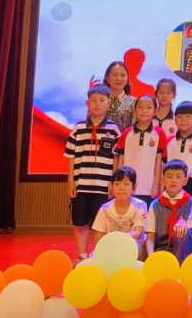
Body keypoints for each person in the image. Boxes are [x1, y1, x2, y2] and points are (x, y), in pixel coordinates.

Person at [65, 83, 120, 262]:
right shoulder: (78, 128)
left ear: (108, 103)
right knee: (80, 222)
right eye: (94, 100)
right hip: (81, 185)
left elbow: (116, 158)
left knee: (100, 224)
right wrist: (71, 181)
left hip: (103, 186)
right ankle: (82, 256)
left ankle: (98, 258)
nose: (97, 104)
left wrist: (113, 182)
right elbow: (71, 156)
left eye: (102, 100)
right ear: (87, 103)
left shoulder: (113, 129)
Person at [114, 94, 168, 204]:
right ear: (134, 110)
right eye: (140, 107)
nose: (144, 110)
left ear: (155, 111)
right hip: (127, 187)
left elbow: (159, 161)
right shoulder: (127, 133)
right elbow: (120, 160)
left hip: (149, 188)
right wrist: (118, 183)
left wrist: (156, 185)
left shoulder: (159, 133)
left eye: (149, 107)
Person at [146, 159, 192, 261]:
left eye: (178, 177)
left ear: (185, 181)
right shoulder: (155, 204)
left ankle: (178, 266)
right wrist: (151, 258)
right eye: (169, 176)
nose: (173, 180)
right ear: (163, 180)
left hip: (185, 252)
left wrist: (183, 224)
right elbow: (150, 237)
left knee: (182, 230)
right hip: (161, 250)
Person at [92, 166, 147, 254]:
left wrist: (118, 239)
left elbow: (138, 232)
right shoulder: (105, 208)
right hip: (110, 247)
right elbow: (99, 236)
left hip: (132, 247)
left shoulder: (140, 206)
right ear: (111, 186)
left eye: (126, 184)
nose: (121, 188)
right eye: (117, 184)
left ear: (134, 187)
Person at [103, 61, 136, 131]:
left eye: (123, 75)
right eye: (115, 75)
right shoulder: (99, 100)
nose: (119, 78)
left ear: (127, 79)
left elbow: (135, 130)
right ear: (107, 79)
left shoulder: (134, 102)